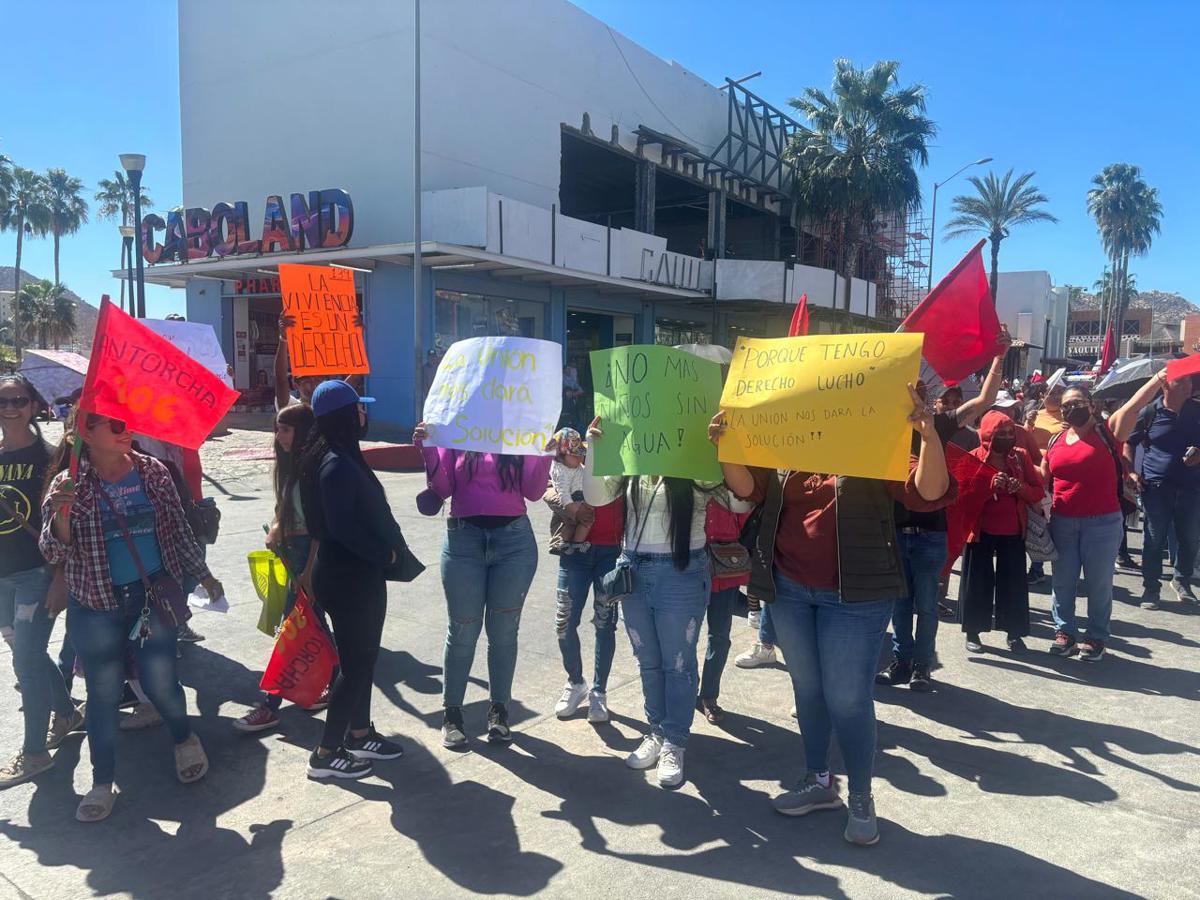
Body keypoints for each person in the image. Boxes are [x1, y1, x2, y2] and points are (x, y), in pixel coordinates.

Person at [711, 385, 954, 846]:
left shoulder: (872, 440)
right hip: (789, 590)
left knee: (848, 698)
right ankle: (819, 781)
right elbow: (748, 488)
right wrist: (726, 445)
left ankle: (860, 796)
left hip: (856, 595)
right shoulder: (785, 444)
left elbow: (929, 491)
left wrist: (927, 433)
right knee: (808, 690)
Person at [40, 409, 224, 822]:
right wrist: (62, 518)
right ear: (86, 432)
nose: (129, 432)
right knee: (103, 696)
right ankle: (102, 781)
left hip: (150, 598)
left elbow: (177, 529)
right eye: (117, 425)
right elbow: (53, 553)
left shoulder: (152, 472)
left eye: (128, 424)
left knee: (161, 680)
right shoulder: (68, 484)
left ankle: (184, 737)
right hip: (95, 606)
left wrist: (204, 574)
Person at [583, 417, 752, 789]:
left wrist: (725, 448)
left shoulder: (694, 463)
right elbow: (595, 497)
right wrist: (594, 446)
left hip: (681, 571)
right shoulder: (630, 463)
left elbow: (742, 500)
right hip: (633, 569)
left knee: (678, 663)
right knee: (648, 661)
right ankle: (656, 731)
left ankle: (675, 741)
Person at [878, 336, 1008, 691]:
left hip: (930, 534)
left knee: (928, 605)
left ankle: (922, 666)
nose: (915, 394)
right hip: (894, 532)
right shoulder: (882, 427)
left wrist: (999, 356)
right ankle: (901, 663)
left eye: (921, 388)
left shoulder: (942, 423)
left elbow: (985, 400)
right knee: (899, 606)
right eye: (910, 389)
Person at [414, 422, 552, 749]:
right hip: (464, 541)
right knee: (462, 629)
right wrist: (430, 446)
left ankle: (499, 711)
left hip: (514, 543)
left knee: (503, 631)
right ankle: (452, 714)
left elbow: (533, 492)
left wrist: (543, 451)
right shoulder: (459, 426)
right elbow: (443, 487)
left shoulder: (521, 428)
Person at [298, 381, 408, 778]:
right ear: (347, 415)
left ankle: (360, 734)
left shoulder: (336, 456)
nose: (365, 415)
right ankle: (325, 754)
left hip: (352, 575)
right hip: (350, 578)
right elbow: (344, 529)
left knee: (363, 659)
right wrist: (387, 554)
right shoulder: (336, 465)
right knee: (356, 667)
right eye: (360, 408)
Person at [1041, 379, 1164, 661]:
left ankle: (1096, 637)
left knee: (1098, 583)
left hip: (1102, 523)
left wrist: (1158, 380)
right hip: (1062, 521)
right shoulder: (1056, 440)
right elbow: (1044, 475)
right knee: (1063, 581)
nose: (1071, 409)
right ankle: (1065, 633)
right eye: (1066, 406)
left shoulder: (1109, 433)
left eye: (1077, 404)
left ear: (1092, 406)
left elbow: (1134, 405)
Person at [0, 376, 83, 788]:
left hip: (36, 574)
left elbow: (62, 526)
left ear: (33, 406)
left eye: (17, 399)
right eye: (2, 401)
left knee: (26, 663)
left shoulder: (50, 459)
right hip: (2, 578)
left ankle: (34, 753)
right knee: (29, 654)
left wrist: (60, 577)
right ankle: (67, 714)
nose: (9, 407)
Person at [235, 403, 337, 733]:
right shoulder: (289, 467)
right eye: (277, 429)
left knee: (294, 630)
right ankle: (337, 684)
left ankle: (270, 705)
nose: (279, 436)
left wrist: (308, 571)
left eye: (286, 429)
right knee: (313, 627)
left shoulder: (314, 468)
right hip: (292, 553)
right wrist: (278, 527)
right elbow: (283, 508)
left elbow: (322, 528)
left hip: (312, 555)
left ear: (304, 431)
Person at [544, 442, 623, 723]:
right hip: (574, 552)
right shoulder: (578, 451)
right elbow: (550, 485)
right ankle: (576, 682)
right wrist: (569, 506)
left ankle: (599, 693)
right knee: (564, 623)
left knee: (605, 623)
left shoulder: (628, 455)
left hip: (611, 553)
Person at [957, 411, 1044, 652]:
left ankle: (1014, 634)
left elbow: (1038, 491)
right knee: (977, 582)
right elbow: (962, 499)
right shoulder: (972, 458)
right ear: (986, 434)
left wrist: (1021, 489)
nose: (1006, 438)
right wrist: (987, 486)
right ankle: (973, 632)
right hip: (980, 530)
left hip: (1013, 530)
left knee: (1014, 583)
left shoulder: (1021, 457)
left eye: (1009, 433)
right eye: (1000, 434)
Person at [1126, 373, 1200, 609]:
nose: (1188, 385)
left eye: (1190, 381)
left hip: (1191, 487)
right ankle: (1151, 587)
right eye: (1182, 381)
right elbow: (1130, 442)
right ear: (1166, 384)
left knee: (1188, 538)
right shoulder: (1150, 412)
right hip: (1156, 487)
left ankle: (1182, 580)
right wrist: (1130, 471)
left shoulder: (1197, 410)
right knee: (1155, 539)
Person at [697, 495, 752, 724]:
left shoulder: (734, 485)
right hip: (691, 567)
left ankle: (709, 695)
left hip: (726, 570)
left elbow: (747, 519)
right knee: (684, 636)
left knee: (719, 637)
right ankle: (687, 687)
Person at [548, 428, 593, 553]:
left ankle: (565, 542)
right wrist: (574, 510)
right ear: (560, 455)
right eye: (574, 455)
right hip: (574, 498)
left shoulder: (575, 465)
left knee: (570, 523)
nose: (579, 458)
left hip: (579, 495)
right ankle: (577, 543)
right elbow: (563, 493)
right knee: (586, 520)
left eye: (580, 454)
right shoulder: (561, 471)